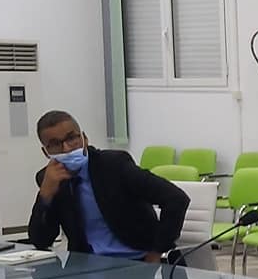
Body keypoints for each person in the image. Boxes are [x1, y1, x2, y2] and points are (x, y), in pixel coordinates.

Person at [27, 110, 189, 262]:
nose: (67, 148)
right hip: (88, 265)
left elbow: (176, 198)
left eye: (71, 138)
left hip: (137, 259)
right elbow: (41, 241)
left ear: (84, 139)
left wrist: (157, 251)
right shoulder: (50, 179)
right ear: (46, 152)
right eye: (55, 144)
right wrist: (45, 196)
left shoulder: (114, 165)